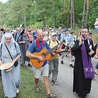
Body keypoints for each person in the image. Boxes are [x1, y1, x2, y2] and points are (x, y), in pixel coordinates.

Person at [26, 30, 56, 98]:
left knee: (46, 77)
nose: (42, 37)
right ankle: (36, 85)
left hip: (45, 63)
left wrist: (53, 53)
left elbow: (49, 50)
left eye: (43, 36)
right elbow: (27, 54)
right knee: (37, 77)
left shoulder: (45, 43)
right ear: (37, 36)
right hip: (37, 64)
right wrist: (38, 57)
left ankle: (49, 94)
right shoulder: (34, 43)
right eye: (40, 36)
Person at [71, 26, 95, 98]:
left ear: (88, 33)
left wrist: (92, 52)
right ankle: (81, 92)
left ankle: (86, 90)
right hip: (79, 63)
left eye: (85, 32)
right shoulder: (78, 41)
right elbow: (73, 50)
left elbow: (92, 50)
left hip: (87, 63)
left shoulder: (90, 41)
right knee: (80, 77)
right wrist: (80, 43)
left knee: (87, 78)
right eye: (83, 32)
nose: (84, 33)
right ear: (81, 33)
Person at [0, 33, 21, 98]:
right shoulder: (1, 45)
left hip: (14, 64)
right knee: (7, 80)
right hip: (5, 64)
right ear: (4, 39)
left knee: (16, 79)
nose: (8, 40)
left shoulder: (15, 44)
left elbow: (19, 54)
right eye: (7, 39)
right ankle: (9, 93)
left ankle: (16, 86)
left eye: (10, 39)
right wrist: (0, 61)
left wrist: (14, 60)